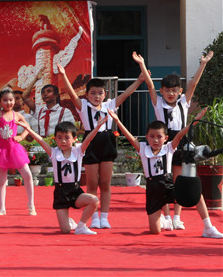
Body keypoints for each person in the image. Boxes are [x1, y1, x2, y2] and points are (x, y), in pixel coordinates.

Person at [111, 109, 223, 238]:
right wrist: (117, 121)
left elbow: (180, 134)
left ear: (166, 138)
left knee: (196, 195)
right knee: (155, 231)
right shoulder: (142, 149)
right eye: (152, 136)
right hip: (153, 189)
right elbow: (129, 137)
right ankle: (164, 221)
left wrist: (195, 121)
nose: (155, 140)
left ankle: (208, 227)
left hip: (168, 185)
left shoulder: (169, 148)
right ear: (146, 137)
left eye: (159, 137)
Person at [133, 51, 213, 230]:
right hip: (164, 146)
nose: (171, 93)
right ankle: (167, 217)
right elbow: (149, 84)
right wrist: (142, 64)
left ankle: (179, 218)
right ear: (162, 91)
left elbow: (193, 83)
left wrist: (203, 64)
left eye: (174, 90)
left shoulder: (184, 102)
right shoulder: (158, 103)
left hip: (182, 144)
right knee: (165, 181)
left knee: (184, 182)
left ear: (180, 92)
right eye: (167, 90)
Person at [58, 64, 143, 229]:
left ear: (105, 94)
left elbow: (126, 93)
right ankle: (94, 217)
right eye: (93, 93)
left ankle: (104, 217)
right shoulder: (83, 106)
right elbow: (71, 93)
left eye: (100, 93)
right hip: (90, 142)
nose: (97, 96)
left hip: (107, 141)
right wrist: (63, 75)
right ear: (87, 94)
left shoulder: (109, 105)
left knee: (105, 183)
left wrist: (139, 80)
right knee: (92, 184)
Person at [18, 117, 101, 235]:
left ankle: (81, 226)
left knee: (94, 200)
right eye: (59, 137)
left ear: (74, 138)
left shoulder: (78, 151)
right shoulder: (54, 152)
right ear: (55, 138)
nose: (63, 141)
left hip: (75, 191)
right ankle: (70, 223)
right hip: (61, 193)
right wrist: (28, 129)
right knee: (65, 231)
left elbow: (88, 139)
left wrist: (97, 127)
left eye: (67, 138)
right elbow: (41, 140)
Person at [0, 71, 35, 216]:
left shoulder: (18, 115)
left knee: (28, 175)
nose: (8, 103)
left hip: (15, 149)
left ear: (14, 101)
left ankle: (31, 205)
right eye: (5, 100)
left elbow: (28, 127)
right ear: (1, 102)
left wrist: (22, 136)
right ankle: (2, 208)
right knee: (1, 180)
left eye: (11, 100)